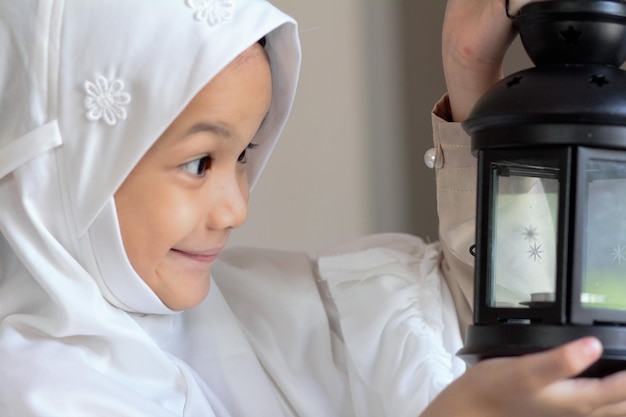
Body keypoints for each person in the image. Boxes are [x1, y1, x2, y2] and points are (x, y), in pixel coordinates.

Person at [1, 1, 626, 417]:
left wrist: (470, 71)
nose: (235, 208)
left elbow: (487, 327)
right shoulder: (33, 393)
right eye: (199, 163)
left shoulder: (268, 311)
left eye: (245, 154)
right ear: (68, 169)